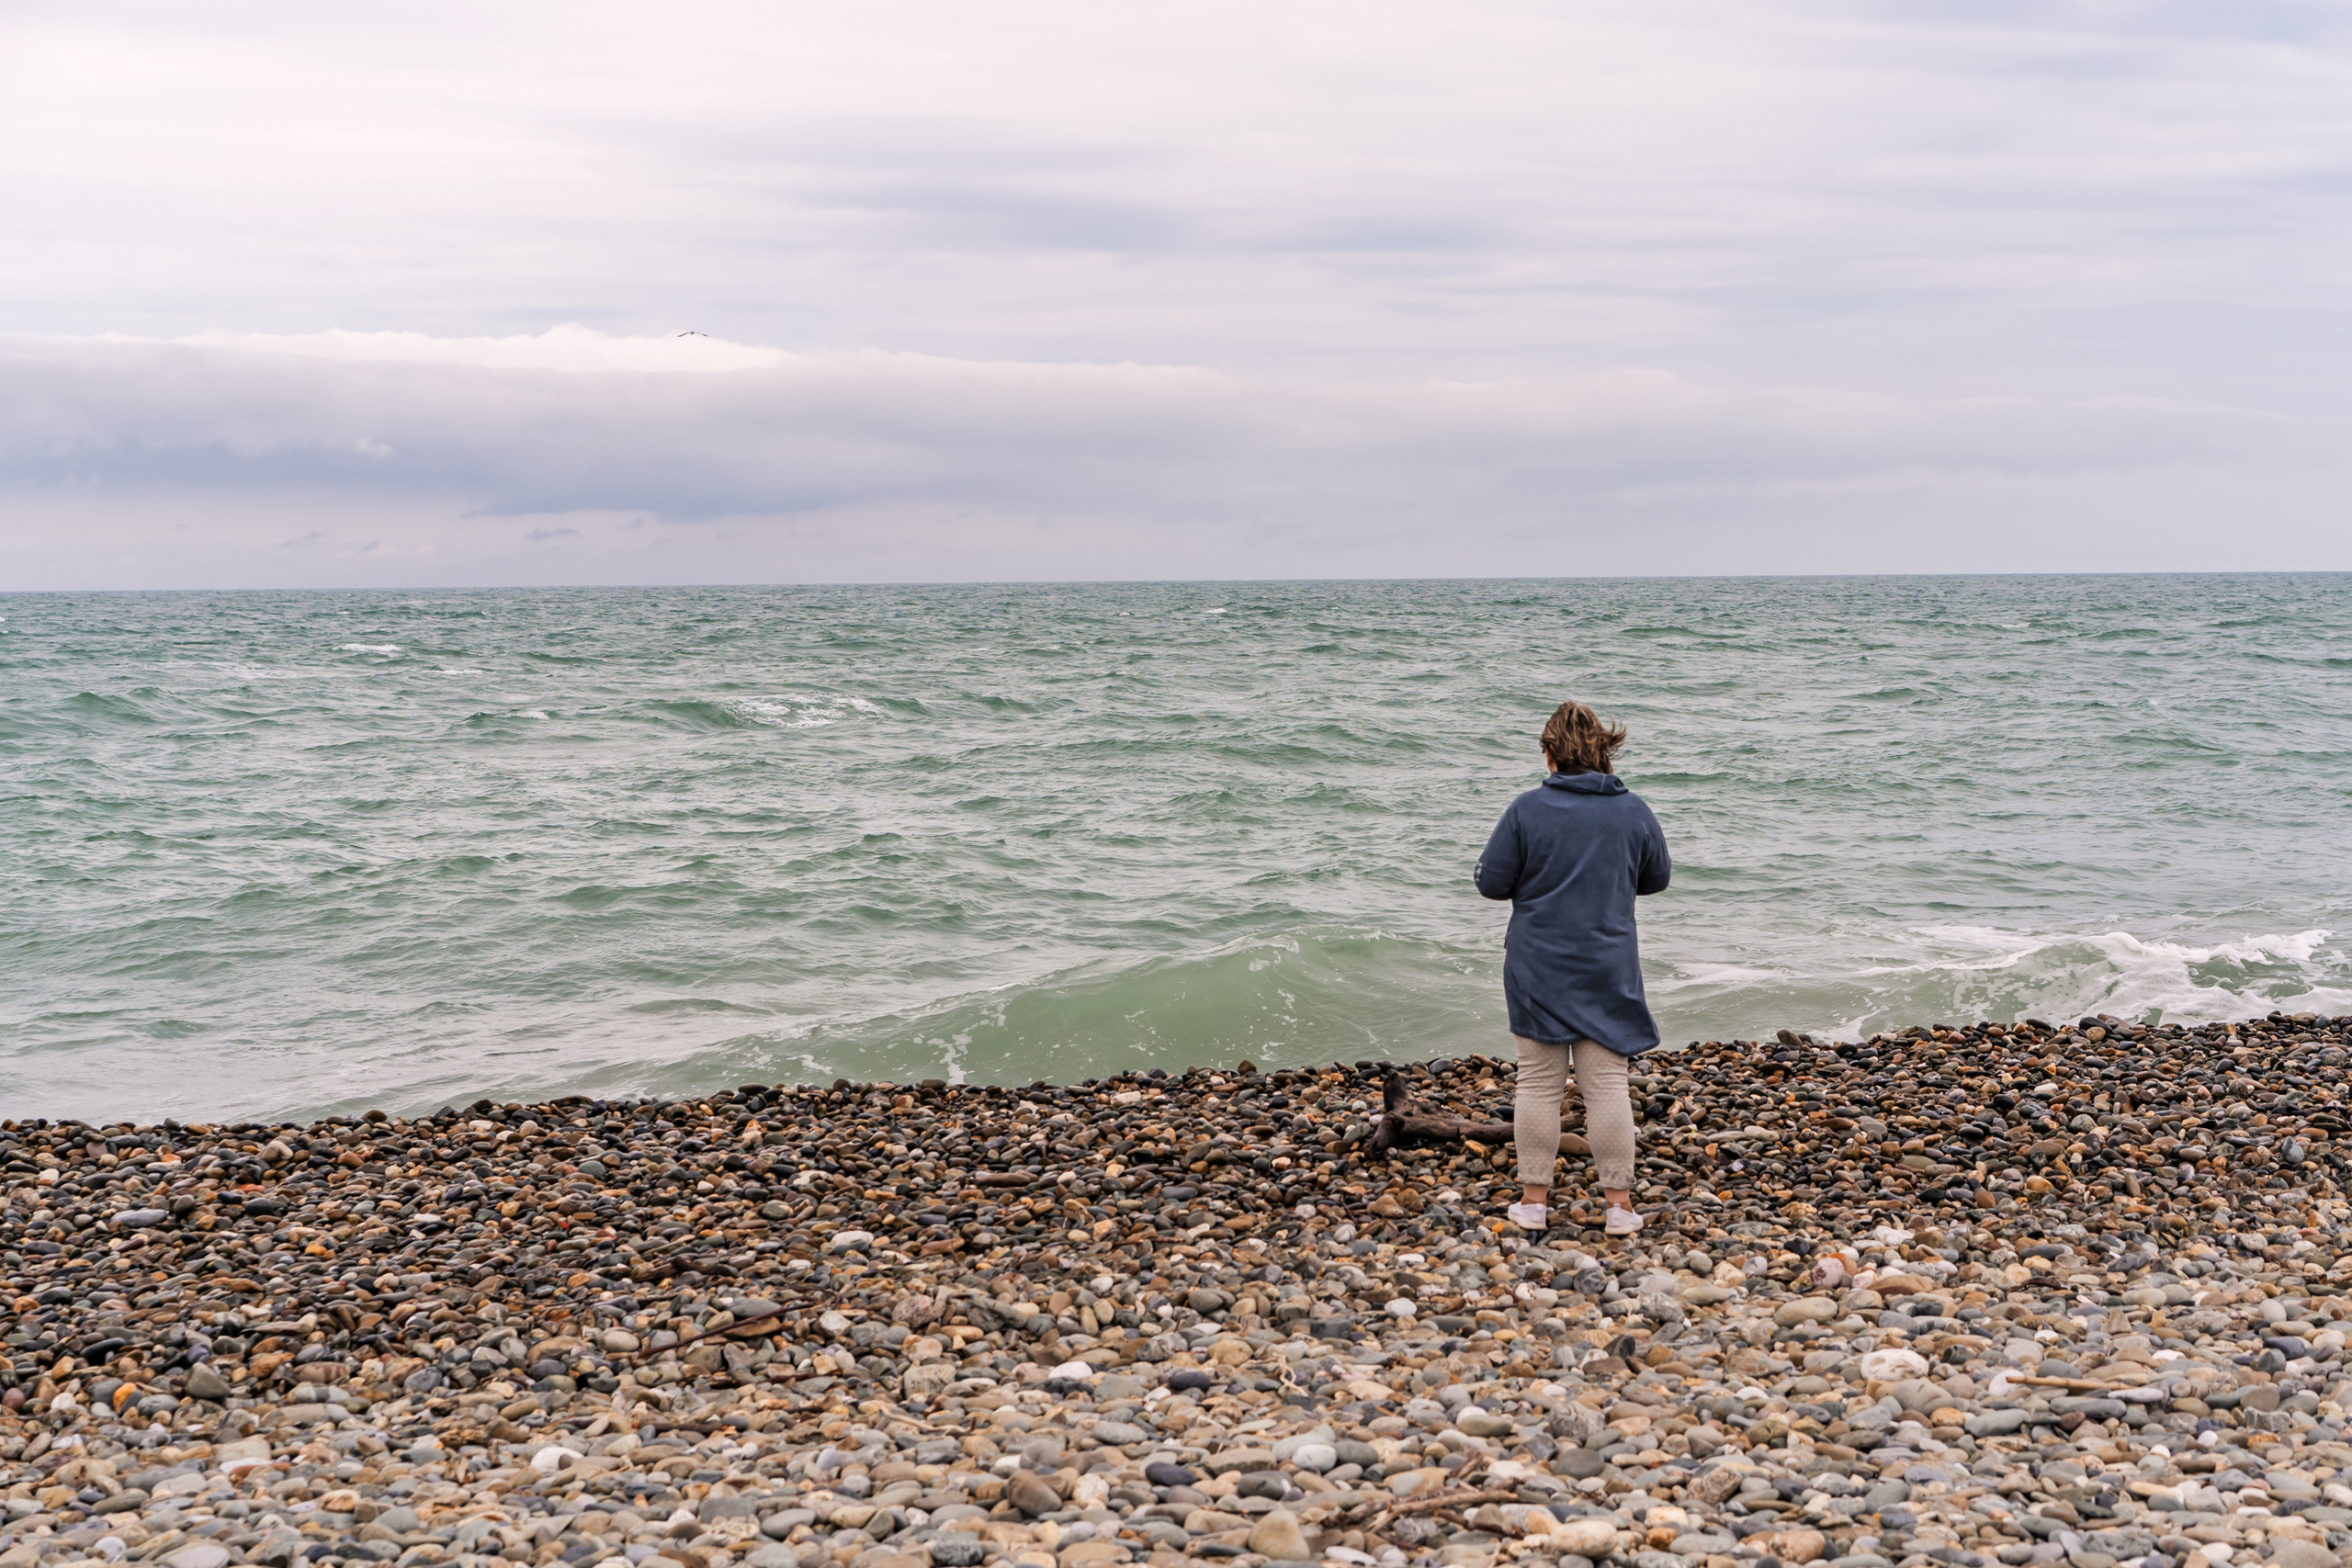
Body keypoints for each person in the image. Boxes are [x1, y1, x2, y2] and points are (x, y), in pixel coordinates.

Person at [1474, 700, 1670, 1238]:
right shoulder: (1633, 810)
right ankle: (1619, 1208)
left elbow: (1491, 883)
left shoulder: (1526, 809)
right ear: (1604, 752)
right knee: (1607, 1085)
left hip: (1537, 964)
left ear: (1550, 754)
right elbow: (1656, 879)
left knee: (1538, 1083)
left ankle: (1534, 1202)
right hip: (1608, 964)